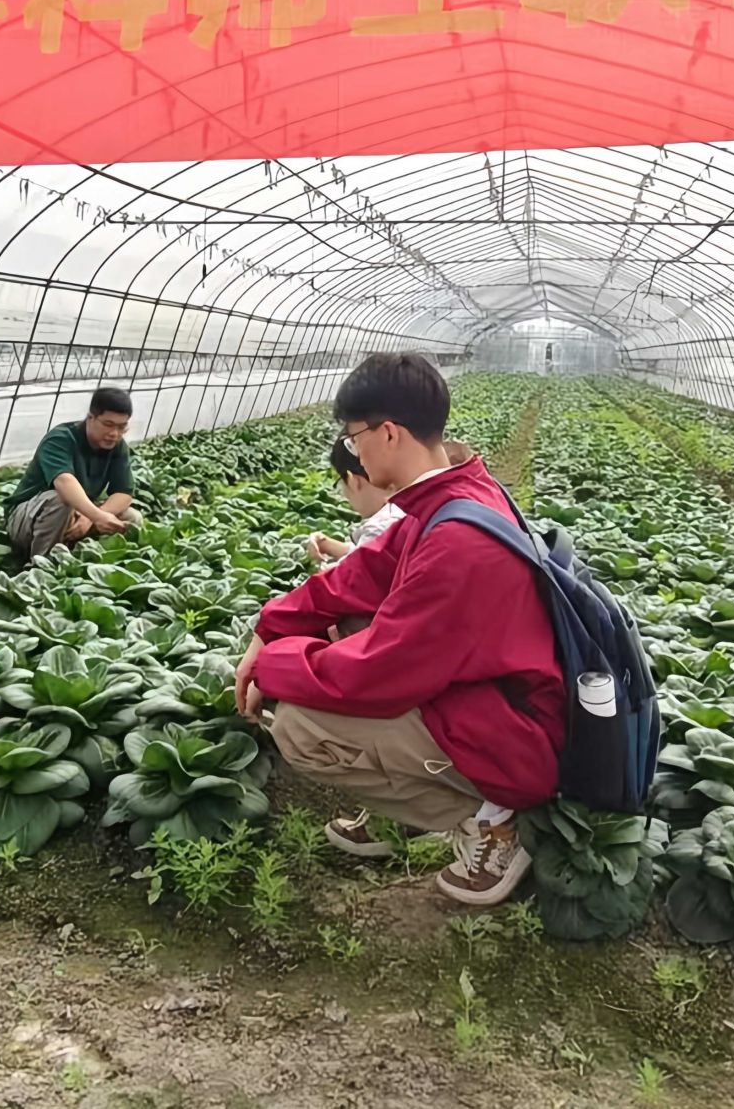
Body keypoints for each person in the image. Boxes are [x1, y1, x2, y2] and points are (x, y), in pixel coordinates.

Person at [236, 354, 563, 907]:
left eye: (354, 437)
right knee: (344, 621)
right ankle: (418, 806)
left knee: (299, 727)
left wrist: (273, 666)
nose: (354, 453)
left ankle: (496, 822)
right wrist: (271, 628)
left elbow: (377, 674)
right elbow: (359, 576)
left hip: (514, 743)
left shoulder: (456, 540)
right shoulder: (451, 497)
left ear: (388, 433)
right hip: (490, 699)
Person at [2, 387, 139, 559]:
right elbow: (64, 482)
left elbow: (124, 493)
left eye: (122, 427)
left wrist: (92, 517)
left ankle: (87, 560)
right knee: (60, 499)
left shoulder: (117, 446)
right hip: (26, 520)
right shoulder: (61, 439)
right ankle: (43, 565)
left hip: (77, 515)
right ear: (90, 418)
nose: (114, 434)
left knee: (131, 518)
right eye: (108, 425)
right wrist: (95, 515)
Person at [305, 439, 404, 569]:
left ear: (352, 480)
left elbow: (346, 576)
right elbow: (370, 554)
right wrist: (329, 546)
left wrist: (318, 564)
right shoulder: (405, 509)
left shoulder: (380, 527)